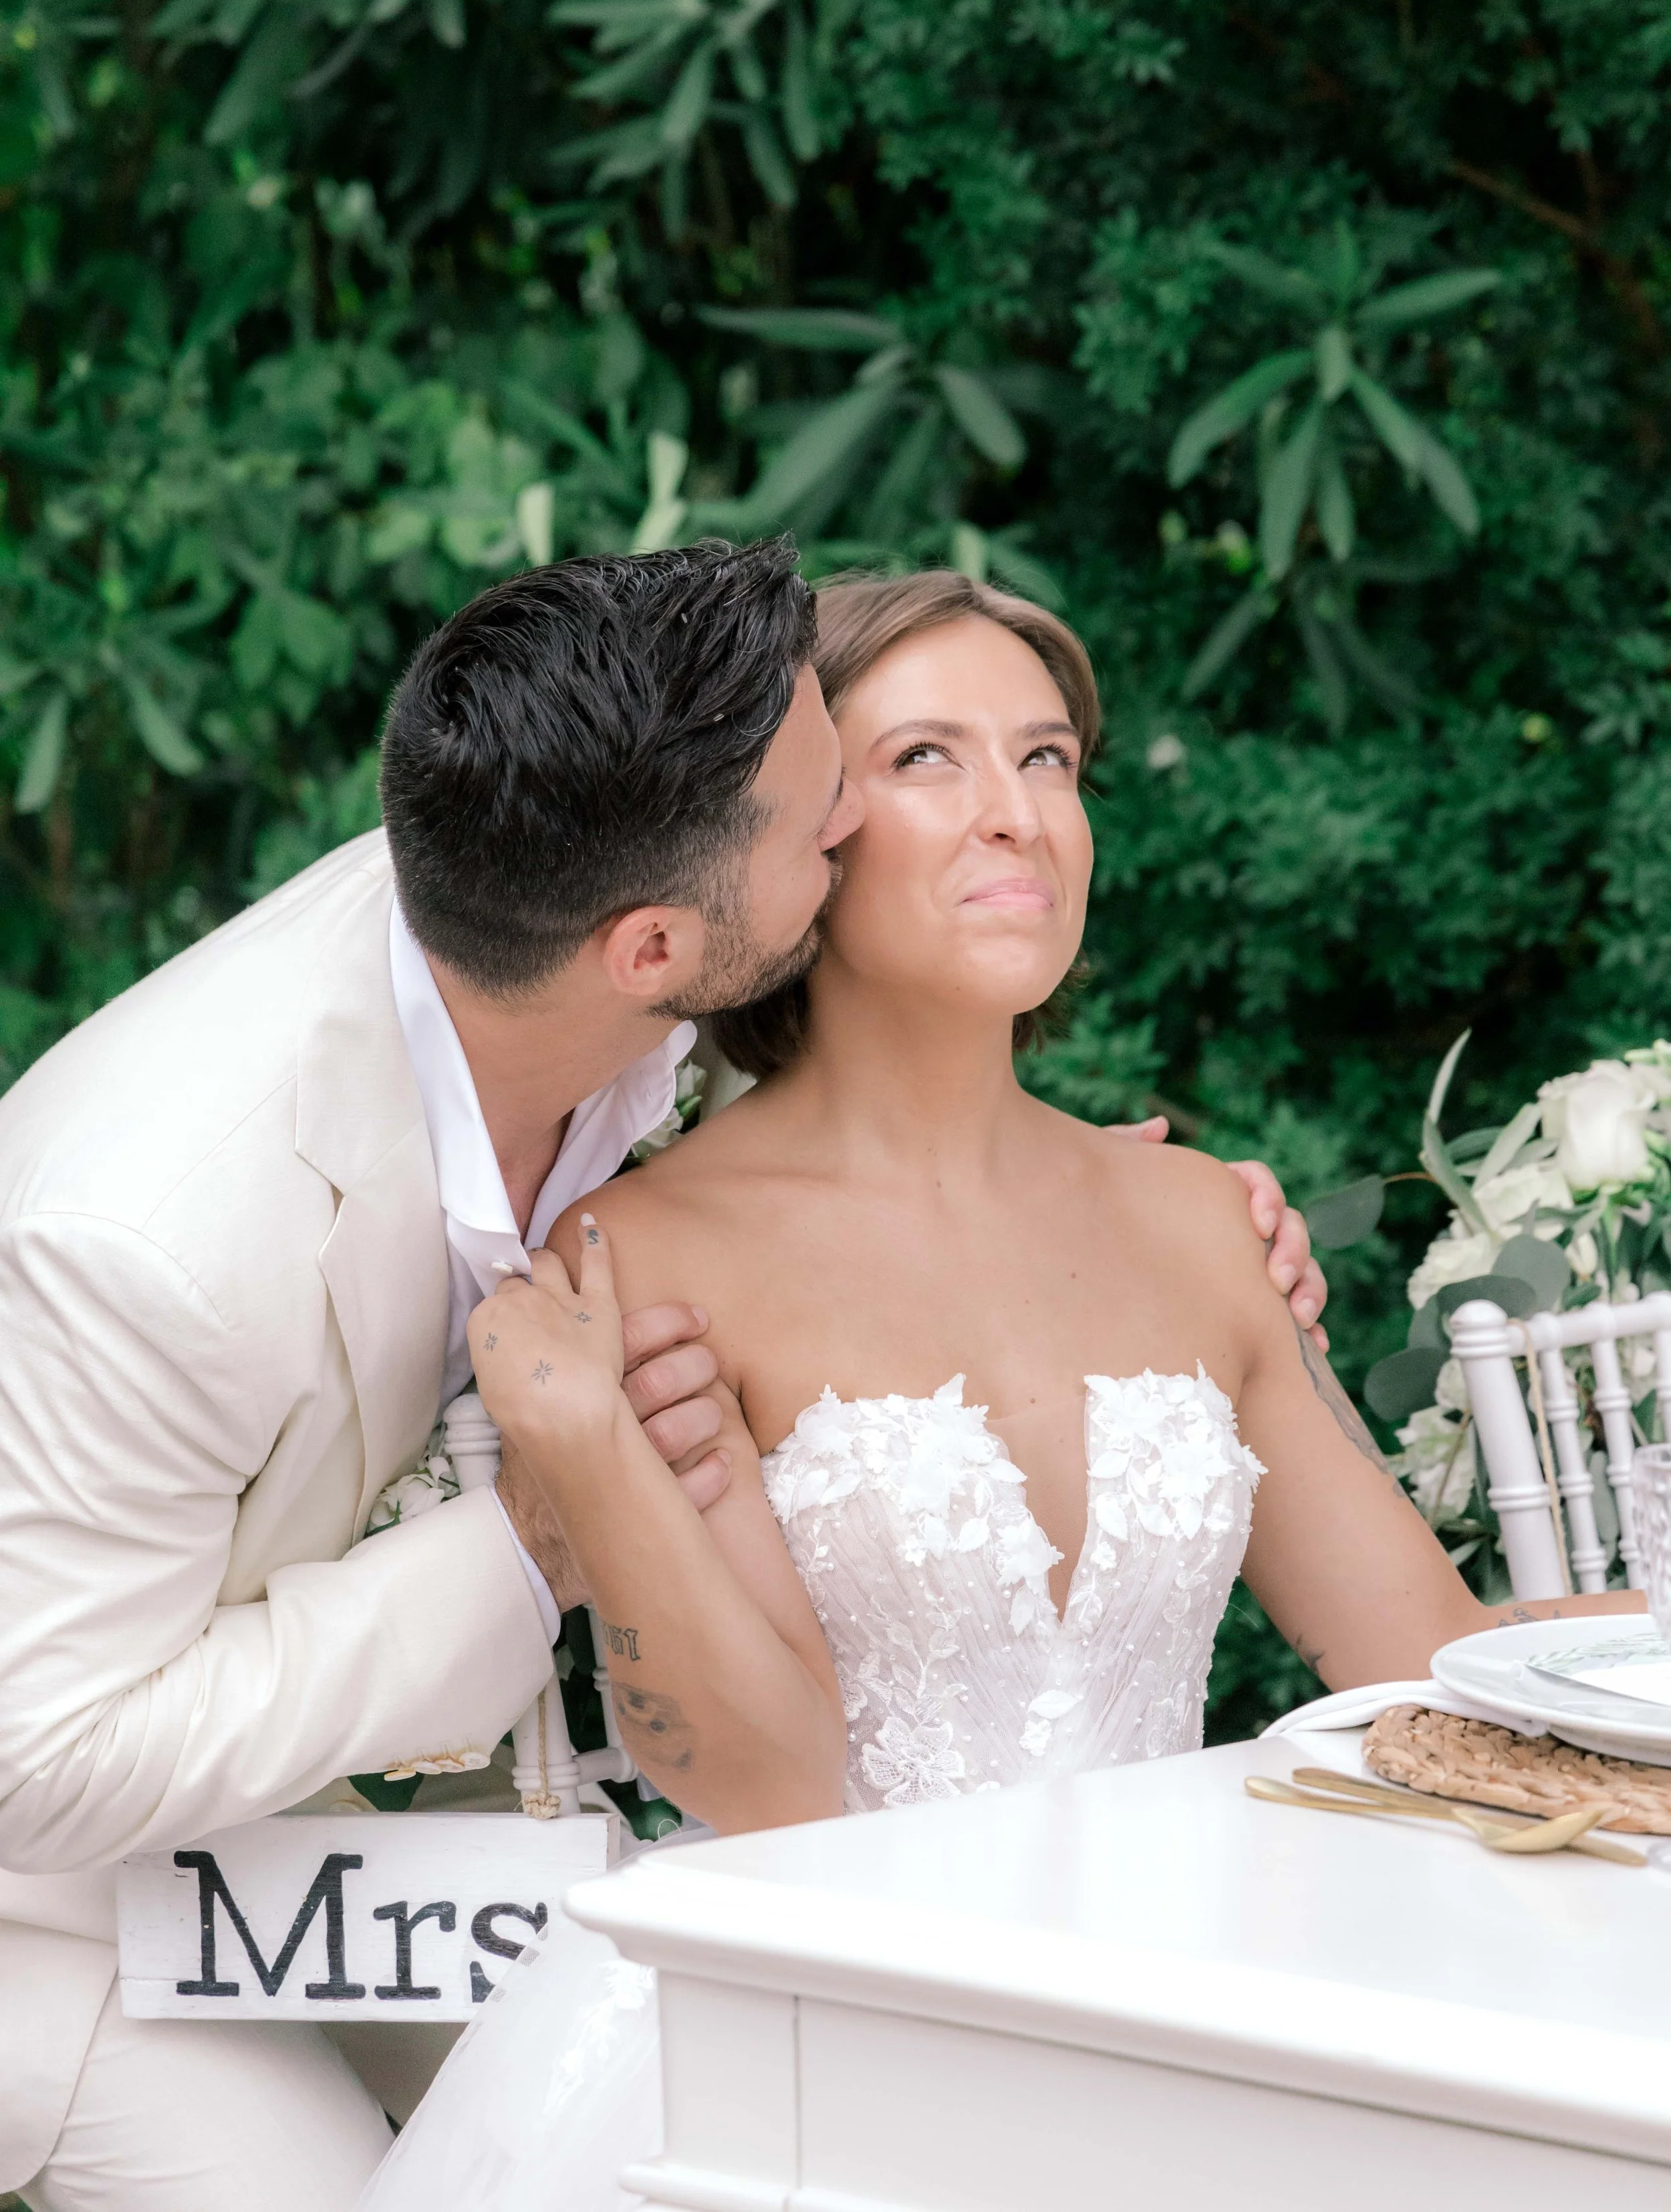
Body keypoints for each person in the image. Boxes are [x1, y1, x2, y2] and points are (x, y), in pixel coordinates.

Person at [0, 545, 1320, 2212]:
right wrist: (539, 1527)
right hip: (55, 1917)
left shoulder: (561, 891)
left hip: (397, 1856)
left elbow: (868, 1154)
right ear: (654, 949)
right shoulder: (156, 1235)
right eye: (829, 811)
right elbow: (33, 1767)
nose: (854, 827)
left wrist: (1071, 1234)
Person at [364, 570, 1642, 2212]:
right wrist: (581, 1441)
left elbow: (1424, 1663)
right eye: (925, 762)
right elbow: (765, 1792)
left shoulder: (1196, 1224)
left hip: (1179, 2022)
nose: (1014, 817)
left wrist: (1633, 1647)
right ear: (798, 839)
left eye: (1044, 760)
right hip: (813, 2049)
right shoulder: (648, 1254)